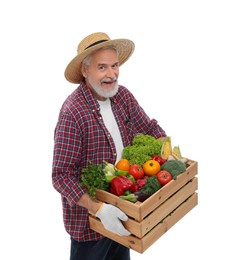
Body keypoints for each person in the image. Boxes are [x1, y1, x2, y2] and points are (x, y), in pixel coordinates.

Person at [52, 32, 167, 260]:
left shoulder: (122, 96)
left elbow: (151, 128)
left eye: (114, 66)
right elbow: (61, 175)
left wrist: (167, 152)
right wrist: (99, 209)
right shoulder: (72, 113)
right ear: (85, 71)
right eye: (102, 67)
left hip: (124, 210)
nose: (111, 74)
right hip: (90, 225)